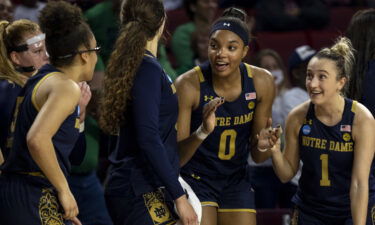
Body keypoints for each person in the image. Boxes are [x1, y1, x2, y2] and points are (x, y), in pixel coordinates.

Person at [100, 0, 200, 224]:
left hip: (134, 183)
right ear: (162, 21)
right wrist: (179, 198)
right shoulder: (147, 69)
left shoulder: (130, 64)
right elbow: (148, 137)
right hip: (138, 187)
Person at [0, 1, 98, 224]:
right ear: (84, 54)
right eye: (96, 50)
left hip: (24, 191)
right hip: (31, 191)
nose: (96, 57)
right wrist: (64, 190)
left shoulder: (41, 77)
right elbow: (37, 139)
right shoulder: (65, 86)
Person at [175, 7, 276, 225]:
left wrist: (264, 146)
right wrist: (203, 131)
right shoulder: (188, 85)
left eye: (231, 47)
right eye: (214, 46)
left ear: (245, 51)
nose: (221, 54)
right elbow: (176, 158)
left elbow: (258, 158)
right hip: (196, 178)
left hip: (235, 179)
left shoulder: (262, 82)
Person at [264, 37, 375, 224]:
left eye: (322, 77)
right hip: (311, 209)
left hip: (351, 208)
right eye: (309, 75)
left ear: (341, 82)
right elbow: (286, 174)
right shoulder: (297, 116)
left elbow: (359, 184)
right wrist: (274, 150)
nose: (312, 83)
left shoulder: (361, 119)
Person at [248, 48, 297, 209]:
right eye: (267, 67)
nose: (273, 72)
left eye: (275, 66)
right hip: (260, 169)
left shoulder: (293, 97)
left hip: (288, 167)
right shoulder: (250, 99)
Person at [0, 19, 48, 162]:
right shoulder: (10, 90)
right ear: (16, 58)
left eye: (46, 49)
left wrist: (80, 115)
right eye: (38, 51)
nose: (46, 56)